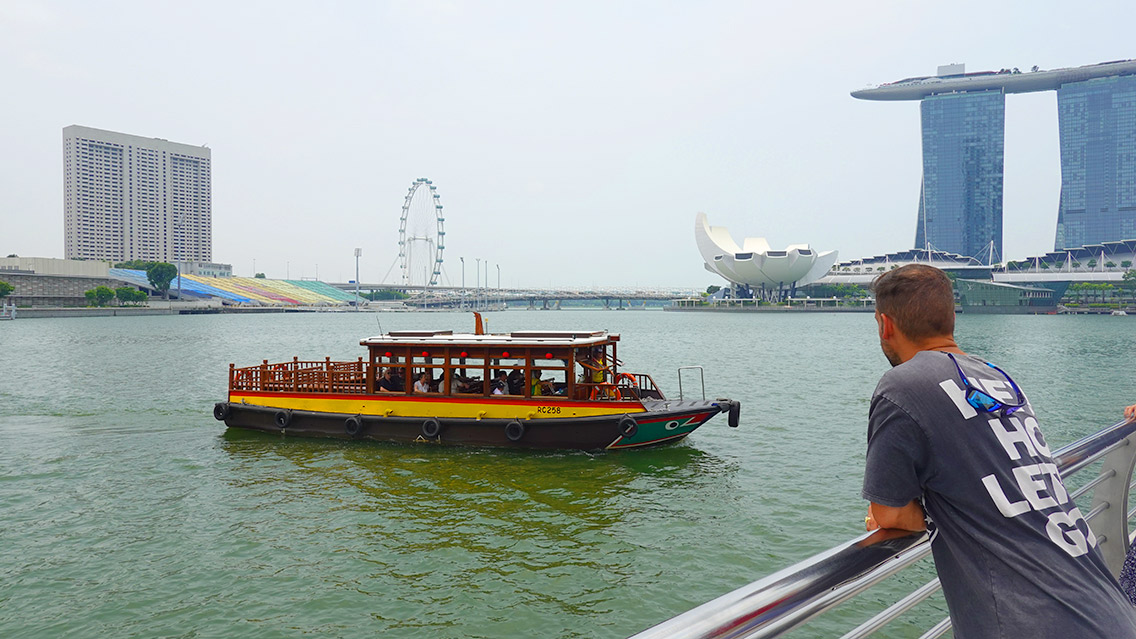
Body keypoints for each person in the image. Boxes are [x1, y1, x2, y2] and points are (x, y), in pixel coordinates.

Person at [862, 264, 1136, 638]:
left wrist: (903, 511)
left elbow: (893, 516)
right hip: (1111, 610)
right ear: (950, 317)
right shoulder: (997, 376)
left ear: (884, 324)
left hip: (1033, 623)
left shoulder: (901, 386)